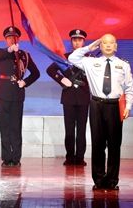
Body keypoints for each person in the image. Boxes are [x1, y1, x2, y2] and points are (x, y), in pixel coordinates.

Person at [68, 33, 133, 191]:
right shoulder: (91, 62)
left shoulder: (123, 65)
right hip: (96, 105)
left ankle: (112, 180)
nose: (108, 45)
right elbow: (72, 58)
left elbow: (129, 88)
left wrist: (128, 106)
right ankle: (98, 179)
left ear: (116, 46)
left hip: (115, 106)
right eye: (104, 43)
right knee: (97, 144)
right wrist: (90, 47)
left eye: (111, 43)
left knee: (114, 145)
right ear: (100, 45)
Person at [0, 26, 40, 167]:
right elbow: (0, 56)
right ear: (6, 39)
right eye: (9, 37)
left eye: (14, 37)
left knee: (16, 127)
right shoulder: (1, 52)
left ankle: (16, 158)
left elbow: (36, 73)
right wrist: (10, 50)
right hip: (3, 93)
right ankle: (6, 157)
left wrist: (25, 82)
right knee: (4, 127)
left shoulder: (24, 55)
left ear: (18, 39)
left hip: (17, 94)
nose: (11, 40)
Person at [46, 28, 91, 166]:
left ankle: (80, 157)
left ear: (84, 42)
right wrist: (61, 79)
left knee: (81, 130)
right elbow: (50, 70)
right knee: (69, 129)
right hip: (69, 97)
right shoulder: (64, 58)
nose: (77, 42)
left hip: (83, 97)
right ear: (71, 42)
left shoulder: (90, 59)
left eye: (79, 40)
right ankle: (70, 157)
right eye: (74, 40)